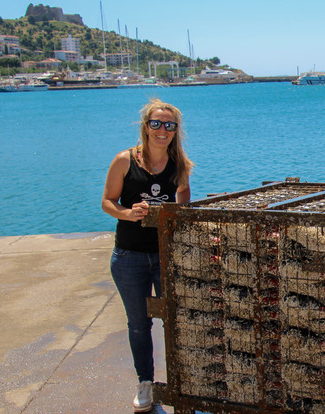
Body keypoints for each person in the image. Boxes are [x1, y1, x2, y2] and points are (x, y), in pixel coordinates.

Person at [102, 98, 193, 412]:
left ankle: (184, 383)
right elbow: (107, 202)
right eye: (156, 123)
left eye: (169, 125)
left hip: (165, 255)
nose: (162, 130)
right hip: (129, 256)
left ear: (175, 131)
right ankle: (146, 384)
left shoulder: (179, 164)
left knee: (177, 320)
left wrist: (171, 213)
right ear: (145, 127)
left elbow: (182, 203)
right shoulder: (124, 161)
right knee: (139, 324)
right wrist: (129, 213)